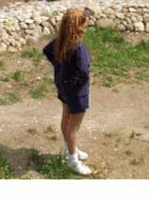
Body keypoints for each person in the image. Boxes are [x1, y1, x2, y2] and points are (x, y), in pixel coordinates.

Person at [42, 9, 93, 176]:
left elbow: (47, 51)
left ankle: (69, 148)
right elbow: (84, 71)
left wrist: (59, 67)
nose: (86, 27)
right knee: (74, 126)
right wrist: (79, 82)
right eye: (84, 24)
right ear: (78, 27)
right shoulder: (79, 47)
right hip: (77, 92)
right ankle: (73, 160)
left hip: (63, 86)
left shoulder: (60, 41)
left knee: (66, 117)